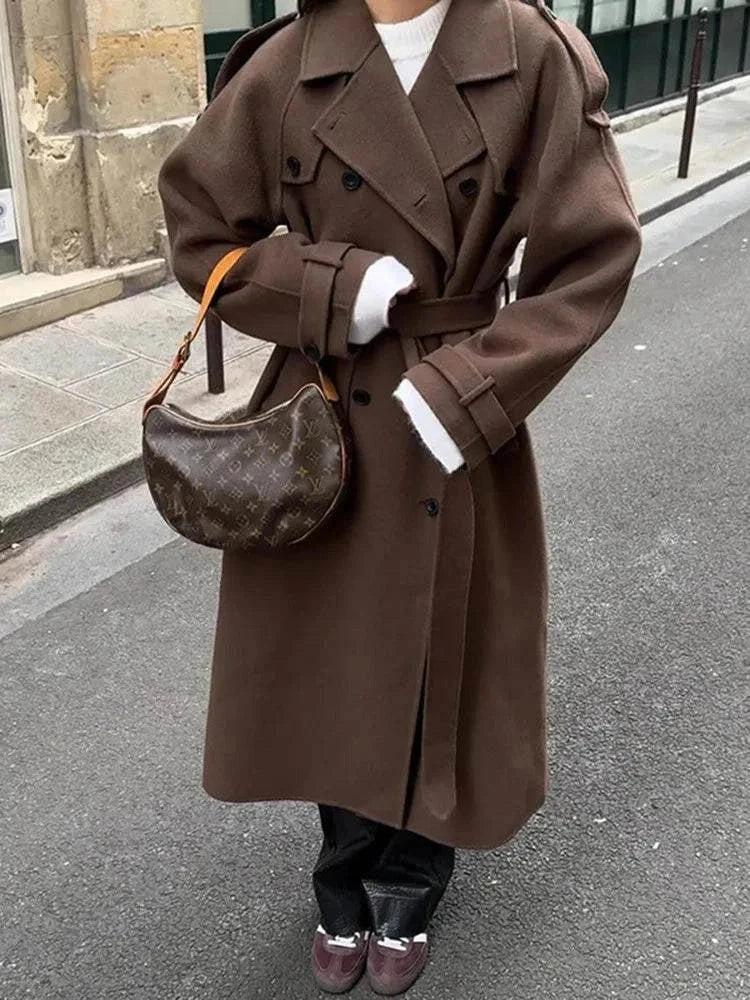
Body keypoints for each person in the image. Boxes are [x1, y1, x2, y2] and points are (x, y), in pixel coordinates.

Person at [157, 0, 642, 993]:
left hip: (456, 413)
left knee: (439, 657)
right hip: (325, 413)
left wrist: (478, 386)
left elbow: (592, 256)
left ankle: (413, 876)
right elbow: (202, 231)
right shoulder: (292, 60)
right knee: (331, 663)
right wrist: (330, 288)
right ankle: (344, 866)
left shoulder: (529, 54)